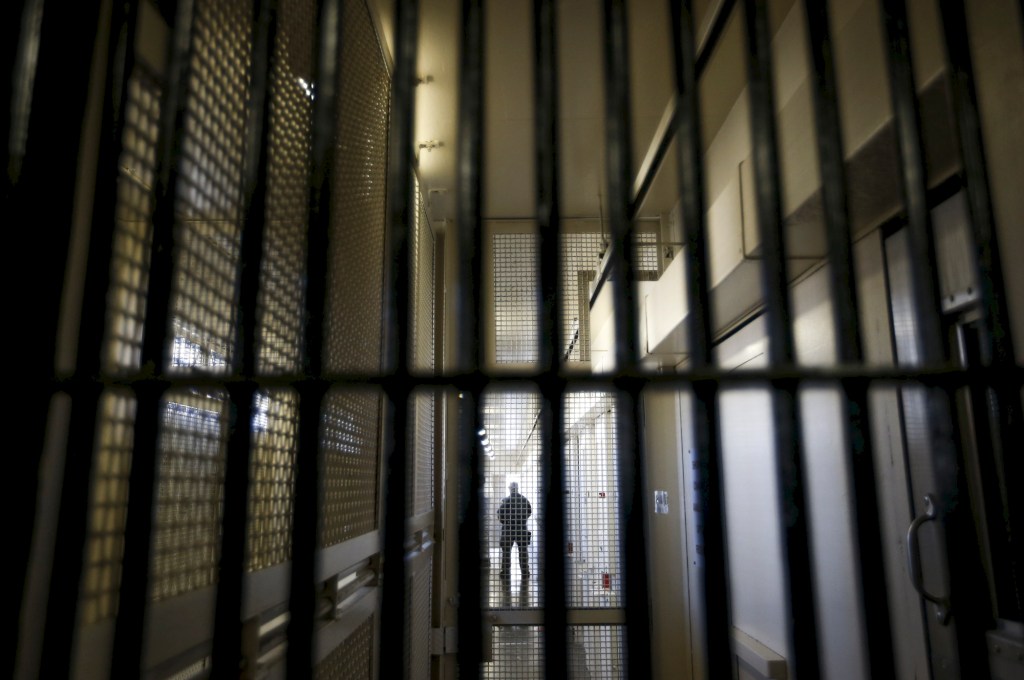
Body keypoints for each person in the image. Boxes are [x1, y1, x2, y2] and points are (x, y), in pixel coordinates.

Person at [497, 481, 532, 579]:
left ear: (510, 489)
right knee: (523, 551)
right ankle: (525, 572)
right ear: (517, 489)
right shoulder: (524, 500)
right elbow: (529, 512)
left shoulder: (506, 501)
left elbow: (500, 515)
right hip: (521, 528)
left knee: (506, 552)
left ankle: (505, 572)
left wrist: (505, 521)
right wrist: (522, 520)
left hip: (508, 529)